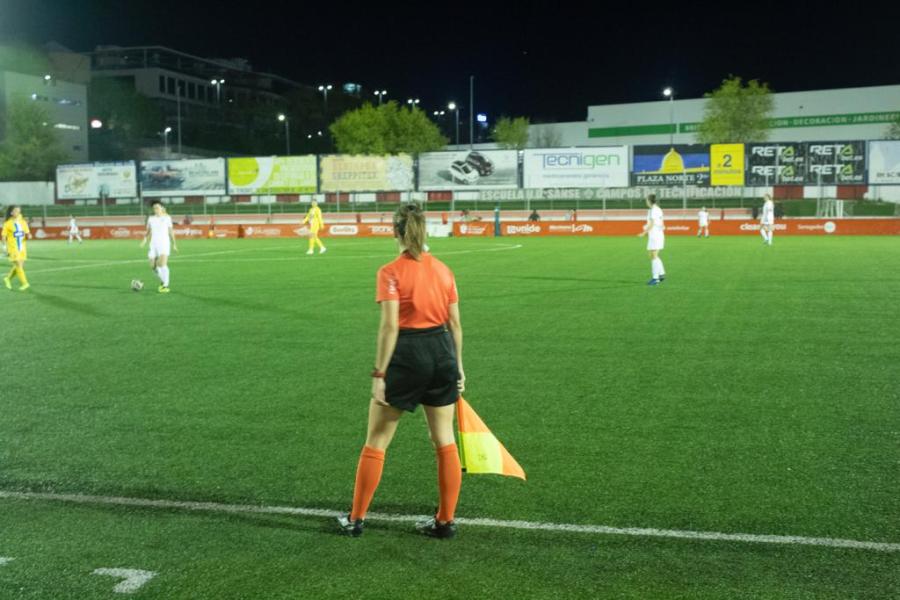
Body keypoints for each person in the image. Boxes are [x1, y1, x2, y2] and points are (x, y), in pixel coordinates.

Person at [337, 204, 465, 539]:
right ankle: (445, 522)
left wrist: (380, 374)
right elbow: (456, 325)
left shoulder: (390, 272)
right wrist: (459, 367)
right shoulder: (444, 270)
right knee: (444, 440)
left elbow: (390, 327)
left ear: (395, 232)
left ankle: (356, 519)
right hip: (442, 353)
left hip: (408, 354)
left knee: (377, 440)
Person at [140, 200, 177, 293]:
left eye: (157, 207)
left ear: (162, 208)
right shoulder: (151, 219)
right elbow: (148, 231)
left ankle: (165, 285)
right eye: (154, 208)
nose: (155, 209)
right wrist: (145, 240)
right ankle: (162, 280)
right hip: (153, 244)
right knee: (153, 266)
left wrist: (174, 244)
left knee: (162, 264)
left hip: (164, 244)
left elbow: (171, 231)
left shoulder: (167, 218)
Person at [638, 194, 666, 286]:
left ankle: (655, 278)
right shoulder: (657, 209)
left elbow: (652, 223)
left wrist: (644, 232)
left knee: (653, 255)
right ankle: (661, 274)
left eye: (646, 200)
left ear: (649, 201)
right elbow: (660, 222)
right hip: (656, 234)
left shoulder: (653, 210)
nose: (646, 202)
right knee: (653, 255)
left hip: (655, 234)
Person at [2, 205, 32, 291]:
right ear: (11, 213)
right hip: (12, 247)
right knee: (18, 264)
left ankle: (7, 278)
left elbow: (27, 233)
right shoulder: (7, 224)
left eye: (19, 210)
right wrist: (4, 247)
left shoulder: (23, 222)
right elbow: (3, 236)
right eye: (16, 210)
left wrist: (29, 236)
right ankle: (25, 283)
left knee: (20, 266)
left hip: (22, 247)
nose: (18, 212)